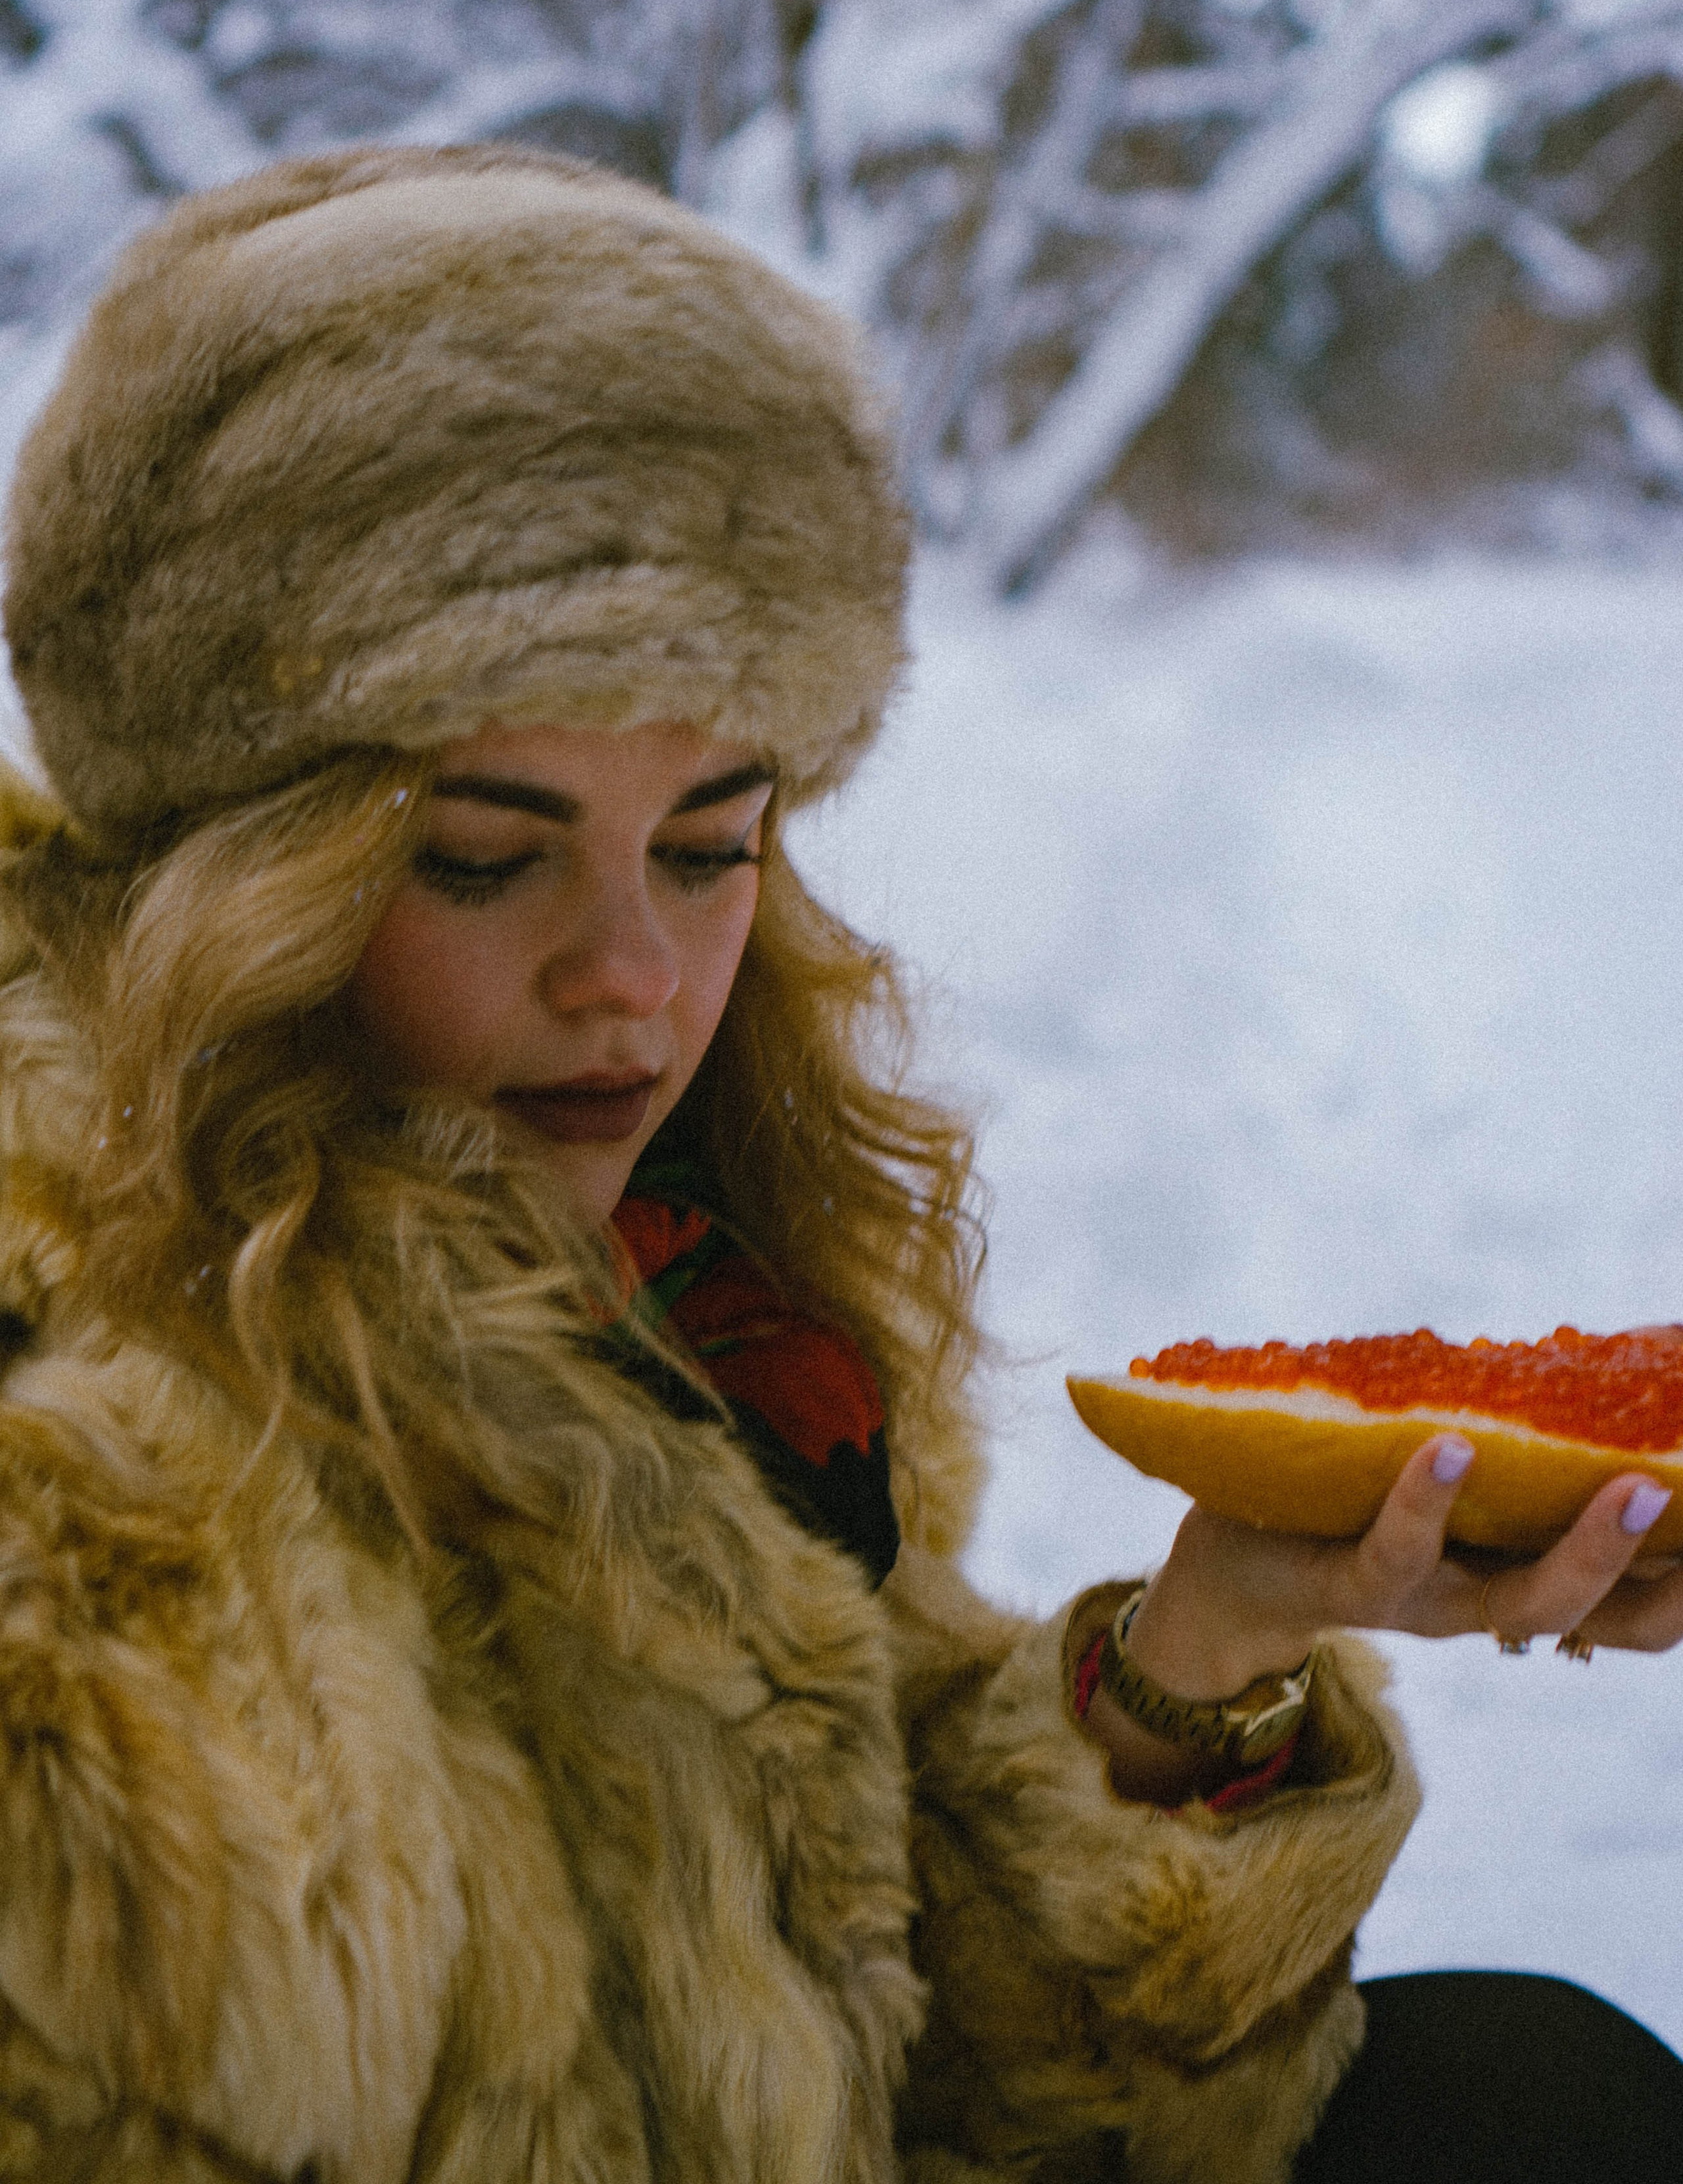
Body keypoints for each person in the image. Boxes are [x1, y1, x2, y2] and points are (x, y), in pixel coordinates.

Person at [0, 141, 1674, 2184]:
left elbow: (904, 2074)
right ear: (236, 878)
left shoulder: (687, 1309)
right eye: (478, 856)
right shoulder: (78, 1504)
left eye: (711, 847)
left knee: (1522, 2091)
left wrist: (1205, 1657)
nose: (634, 979)